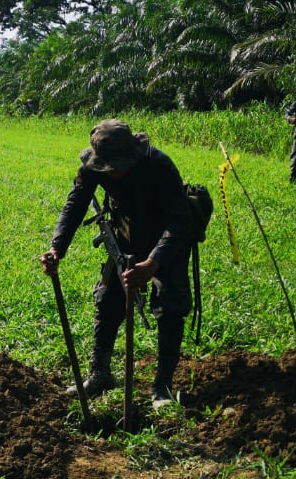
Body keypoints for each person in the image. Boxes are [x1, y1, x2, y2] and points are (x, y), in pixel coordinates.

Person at [40, 119, 196, 412]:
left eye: (117, 165)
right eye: (106, 166)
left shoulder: (159, 165)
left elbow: (181, 221)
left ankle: (161, 386)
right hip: (123, 237)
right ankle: (100, 374)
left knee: (170, 306)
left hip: (166, 240)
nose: (112, 172)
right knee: (108, 298)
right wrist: (55, 248)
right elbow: (75, 204)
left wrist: (152, 263)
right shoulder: (93, 168)